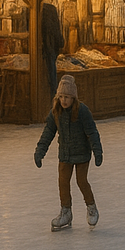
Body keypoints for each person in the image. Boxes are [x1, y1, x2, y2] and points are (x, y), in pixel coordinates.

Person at [34, 74, 103, 231]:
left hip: (82, 154)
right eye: (61, 97)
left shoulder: (82, 111)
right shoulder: (55, 112)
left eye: (67, 97)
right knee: (63, 182)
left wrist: (97, 151)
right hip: (65, 154)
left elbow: (92, 132)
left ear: (74, 98)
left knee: (81, 181)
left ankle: (91, 207)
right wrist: (40, 151)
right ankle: (66, 211)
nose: (64, 100)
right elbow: (48, 133)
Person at [41, 1, 64, 95]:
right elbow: (56, 30)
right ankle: (53, 96)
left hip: (48, 48)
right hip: (50, 48)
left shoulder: (48, 10)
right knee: (51, 75)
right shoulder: (50, 9)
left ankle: (53, 96)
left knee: (50, 74)